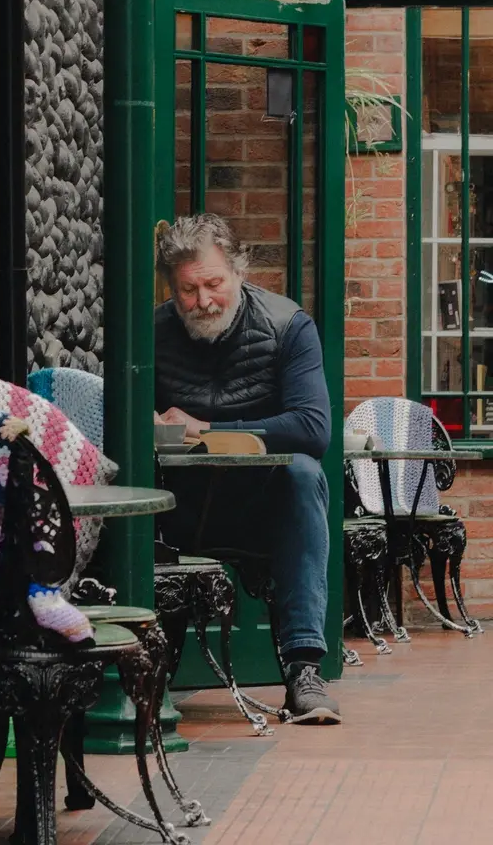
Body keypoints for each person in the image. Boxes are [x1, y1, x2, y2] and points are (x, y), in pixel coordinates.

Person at [155, 213, 340, 725]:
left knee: (304, 474)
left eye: (213, 283)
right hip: (179, 503)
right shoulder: (151, 333)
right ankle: (139, 672)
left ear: (239, 271)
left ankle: (305, 671)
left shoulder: (288, 325)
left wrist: (207, 427)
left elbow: (313, 428)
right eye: (187, 291)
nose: (203, 301)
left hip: (262, 505)